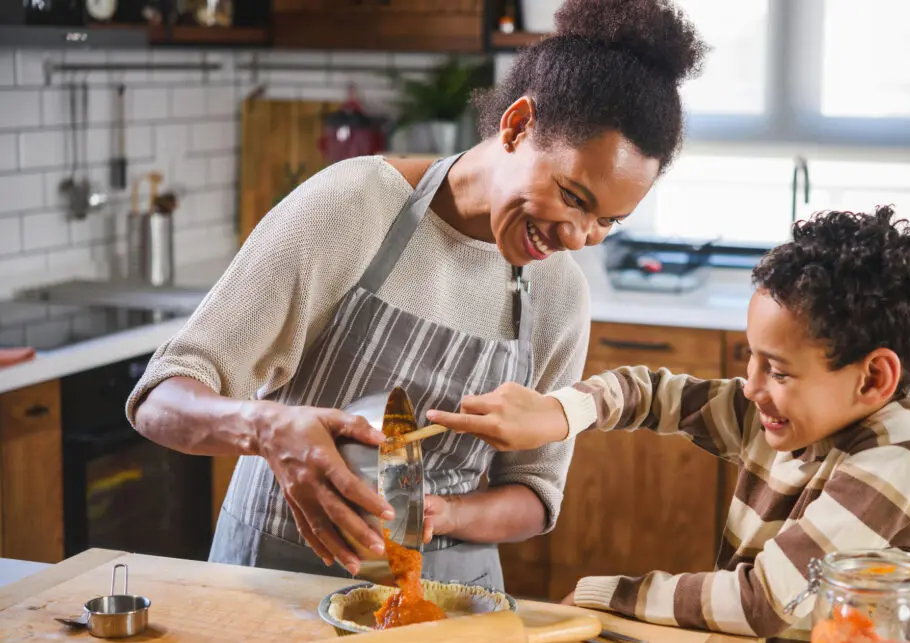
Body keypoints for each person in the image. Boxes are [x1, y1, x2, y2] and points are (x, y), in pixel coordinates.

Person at [124, 0, 708, 590]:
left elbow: (535, 493)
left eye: (609, 221)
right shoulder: (355, 206)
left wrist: (447, 515)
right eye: (574, 197)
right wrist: (267, 427)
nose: (579, 237)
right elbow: (160, 399)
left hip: (452, 598)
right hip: (278, 583)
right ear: (518, 124)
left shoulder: (558, 294)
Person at [428, 206, 910, 643]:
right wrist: (562, 413)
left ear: (873, 378)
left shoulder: (896, 455)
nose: (750, 387)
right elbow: (653, 394)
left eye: (777, 371)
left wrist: (611, 595)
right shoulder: (793, 411)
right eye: (752, 359)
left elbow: (762, 601)